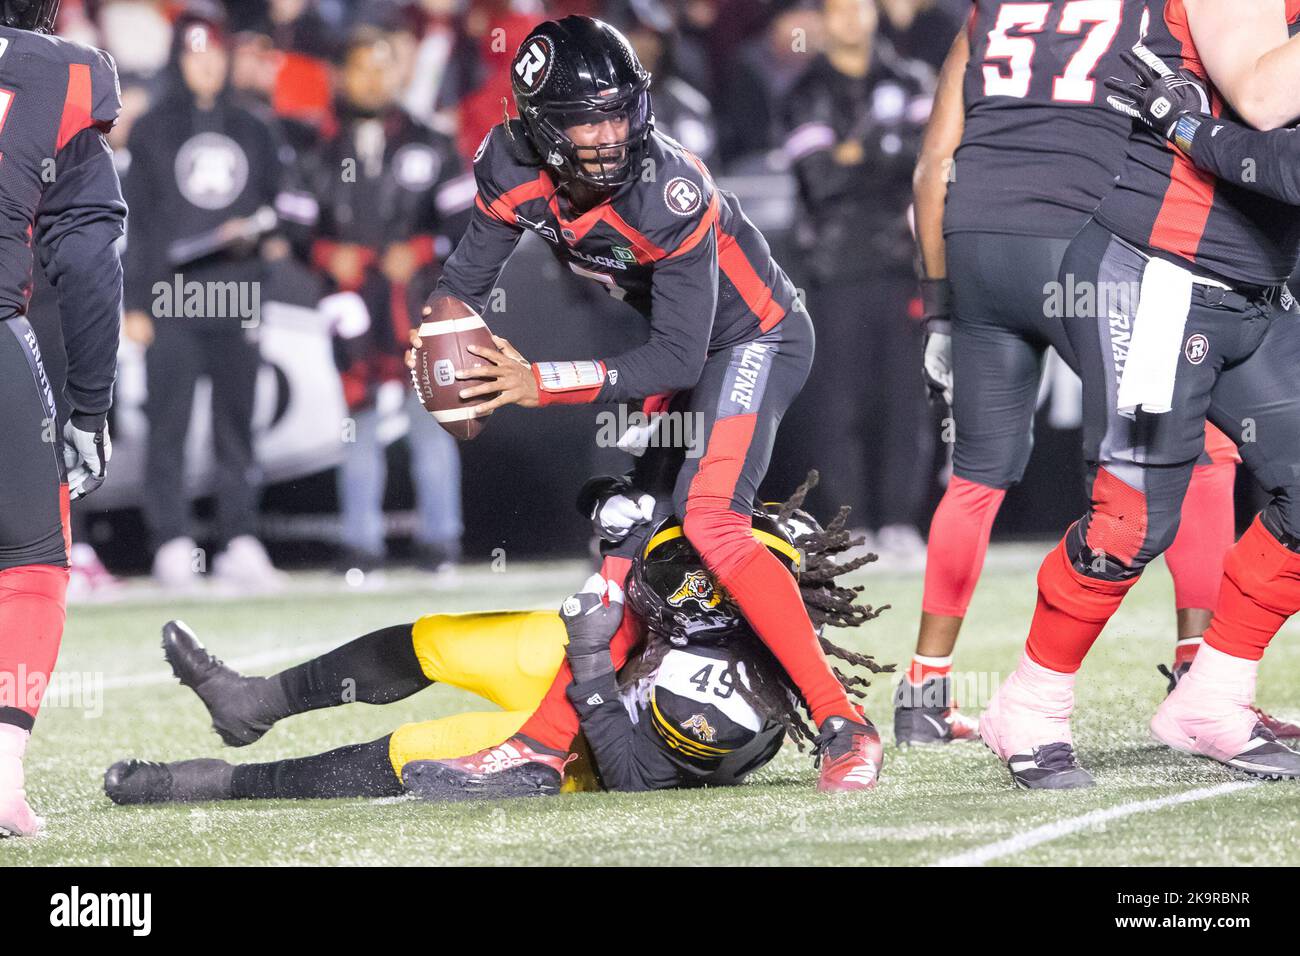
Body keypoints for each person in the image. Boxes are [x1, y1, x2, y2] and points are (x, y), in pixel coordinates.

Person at [405, 15, 885, 795]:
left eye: (618, 111)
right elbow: (462, 285)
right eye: (586, 119)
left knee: (709, 521)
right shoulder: (510, 166)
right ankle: (539, 746)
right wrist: (433, 337)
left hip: (755, 338)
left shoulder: (671, 189)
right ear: (540, 127)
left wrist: (539, 381)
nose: (609, 133)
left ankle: (844, 725)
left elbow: (677, 357)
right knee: (628, 535)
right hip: (690, 349)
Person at [899, 0, 1300, 755]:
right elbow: (1260, 106)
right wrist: (1189, 133)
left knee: (987, 477)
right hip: (1145, 261)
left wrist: (940, 309)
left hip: (1215, 278)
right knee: (1146, 499)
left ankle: (1207, 695)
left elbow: (933, 166)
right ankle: (1054, 699)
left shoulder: (995, 16)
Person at [102, 490, 887, 802]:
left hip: (584, 742)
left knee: (411, 752)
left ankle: (218, 783)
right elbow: (633, 564)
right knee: (436, 640)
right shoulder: (705, 565)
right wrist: (614, 519)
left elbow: (636, 772)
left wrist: (586, 661)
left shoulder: (745, 705)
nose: (717, 574)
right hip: (584, 664)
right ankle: (254, 702)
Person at [0, 0, 127, 836]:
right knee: (31, 561)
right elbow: (84, 256)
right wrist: (89, 405)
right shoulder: (64, 71)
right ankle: (0, 773)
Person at [123, 11, 292, 591]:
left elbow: (285, 209)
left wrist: (267, 242)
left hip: (236, 294)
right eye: (196, 53)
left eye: (215, 53)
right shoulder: (150, 130)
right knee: (167, 425)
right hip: (171, 299)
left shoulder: (255, 127)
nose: (207, 64)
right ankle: (170, 541)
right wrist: (136, 302)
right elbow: (138, 224)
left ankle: (239, 538)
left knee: (237, 427)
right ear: (178, 57)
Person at [304, 27, 472, 572]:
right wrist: (329, 255)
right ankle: (361, 546)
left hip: (420, 301)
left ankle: (441, 543)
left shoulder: (432, 140)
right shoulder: (319, 146)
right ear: (341, 75)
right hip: (352, 305)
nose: (374, 80)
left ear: (398, 72)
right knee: (359, 424)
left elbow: (469, 225)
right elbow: (291, 226)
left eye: (383, 67)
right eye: (362, 68)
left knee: (434, 422)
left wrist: (421, 249)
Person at [784, 0, 935, 564]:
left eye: (859, 7)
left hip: (904, 267)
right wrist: (885, 151)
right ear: (821, 21)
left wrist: (855, 152)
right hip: (834, 271)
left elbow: (931, 162)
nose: (850, 18)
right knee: (838, 405)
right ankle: (852, 526)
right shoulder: (806, 90)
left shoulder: (912, 79)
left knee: (906, 402)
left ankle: (899, 523)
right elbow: (820, 179)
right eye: (838, 9)